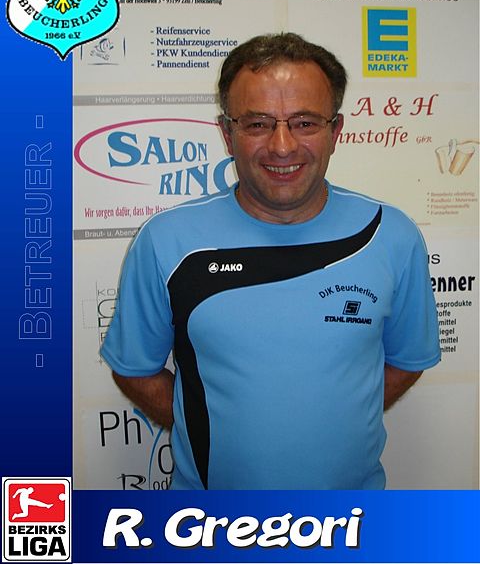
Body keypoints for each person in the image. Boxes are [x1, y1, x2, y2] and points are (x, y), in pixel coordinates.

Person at [100, 32, 440, 490]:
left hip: (352, 517)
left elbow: (407, 361)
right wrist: (208, 428)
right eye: (258, 123)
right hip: (212, 519)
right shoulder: (166, 241)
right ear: (228, 134)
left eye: (305, 122)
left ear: (336, 132)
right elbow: (136, 370)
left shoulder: (391, 235)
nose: (282, 146)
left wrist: (336, 419)